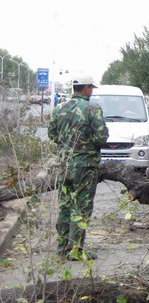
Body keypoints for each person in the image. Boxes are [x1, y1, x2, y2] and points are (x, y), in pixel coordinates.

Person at [48, 75, 109, 261]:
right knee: (81, 207)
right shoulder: (92, 108)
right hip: (85, 166)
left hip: (64, 166)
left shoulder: (59, 108)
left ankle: (62, 247)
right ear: (87, 88)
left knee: (65, 206)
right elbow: (101, 137)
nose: (92, 92)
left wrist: (67, 145)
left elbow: (52, 134)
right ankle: (76, 250)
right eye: (91, 88)